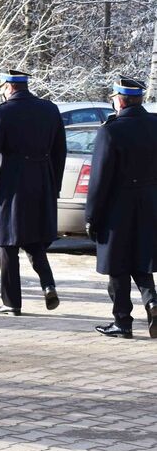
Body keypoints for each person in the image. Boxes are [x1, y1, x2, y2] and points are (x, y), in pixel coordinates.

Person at [0, 69, 67, 316]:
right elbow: (60, 151)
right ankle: (48, 285)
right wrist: (53, 184)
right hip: (43, 181)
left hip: (14, 184)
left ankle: (12, 301)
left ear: (8, 87)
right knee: (34, 240)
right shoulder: (49, 109)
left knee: (8, 242)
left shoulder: (2, 113)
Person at [85, 76, 157, 338]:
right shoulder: (154, 124)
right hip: (149, 202)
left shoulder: (111, 130)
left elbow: (100, 179)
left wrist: (92, 215)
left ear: (120, 100)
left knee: (117, 264)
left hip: (118, 206)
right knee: (141, 259)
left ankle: (122, 321)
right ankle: (152, 302)